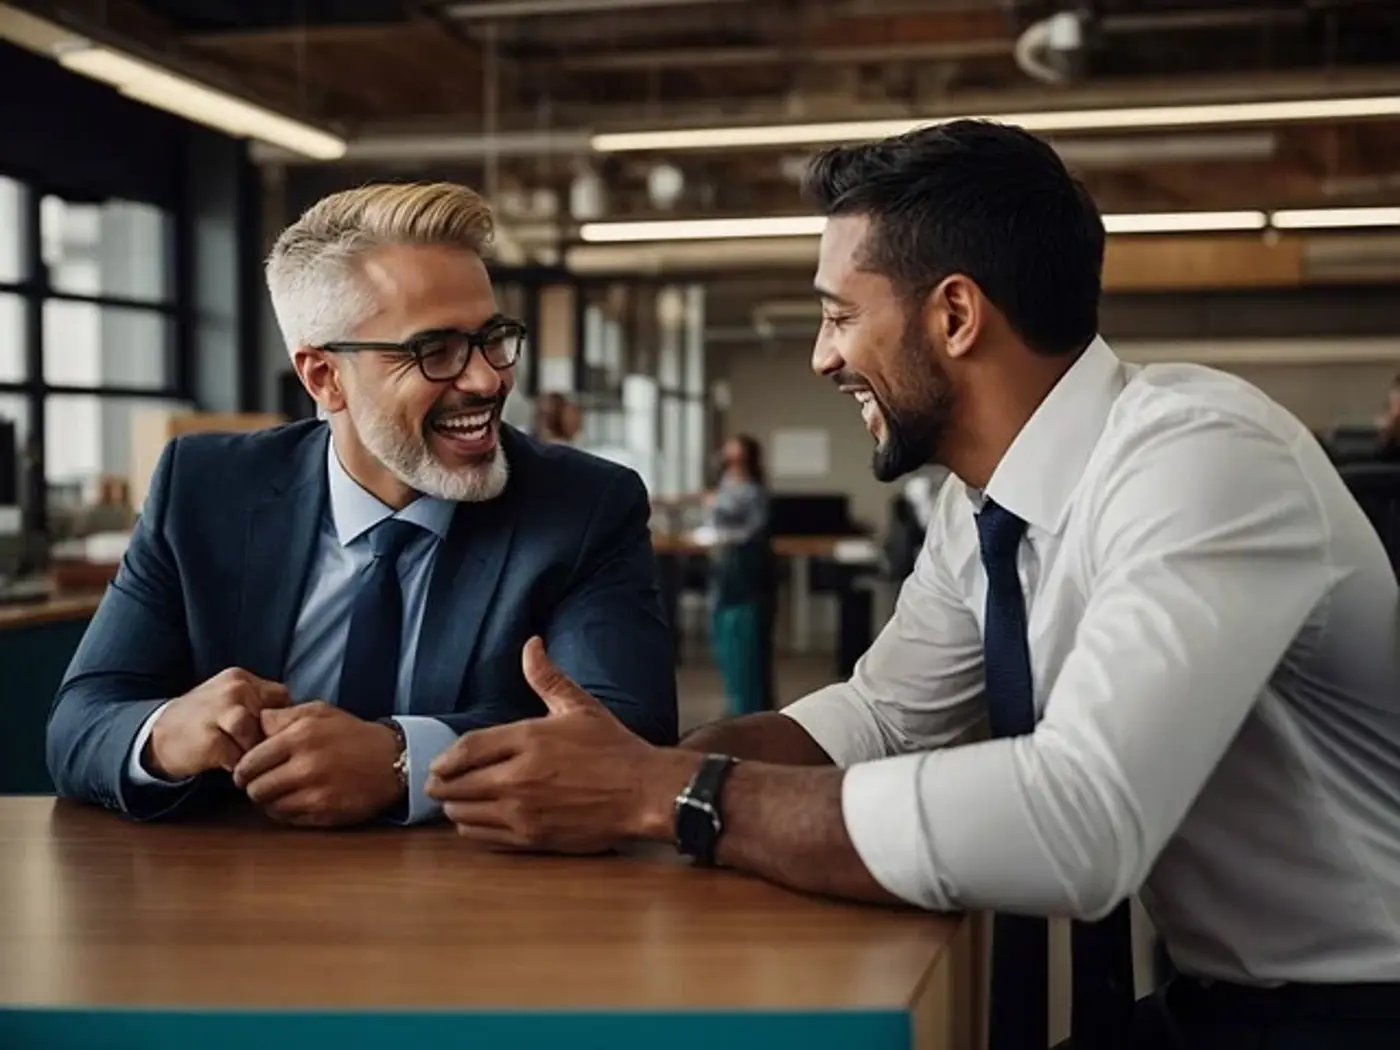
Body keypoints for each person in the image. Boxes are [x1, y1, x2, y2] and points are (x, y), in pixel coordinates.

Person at [423, 122, 1400, 1049]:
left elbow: (1079, 819)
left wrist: (671, 793)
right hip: (1228, 1002)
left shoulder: (1201, 458)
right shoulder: (982, 509)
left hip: (1359, 1006)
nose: (822, 356)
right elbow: (880, 720)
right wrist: (624, 772)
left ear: (955, 316)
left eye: (839, 315)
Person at [46, 181, 676, 828]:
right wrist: (163, 734)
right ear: (324, 377)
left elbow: (628, 736)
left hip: (480, 884)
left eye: (493, 337)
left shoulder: (583, 507)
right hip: (233, 879)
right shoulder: (204, 488)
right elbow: (79, 722)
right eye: (435, 351)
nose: (488, 378)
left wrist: (403, 760)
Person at [704, 434, 771, 716]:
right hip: (722, 572)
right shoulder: (723, 484)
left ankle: (748, 708)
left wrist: (726, 535)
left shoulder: (753, 492)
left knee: (745, 645)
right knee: (724, 641)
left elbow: (753, 530)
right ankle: (735, 702)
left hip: (744, 572)